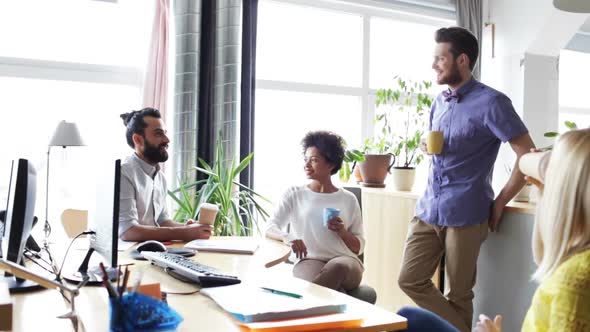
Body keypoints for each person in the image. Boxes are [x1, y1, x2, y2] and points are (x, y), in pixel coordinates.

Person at [397, 27, 536, 332]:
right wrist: (426, 146)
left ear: (461, 60)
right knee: (409, 278)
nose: (433, 64)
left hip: (467, 211)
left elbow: (527, 154)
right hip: (428, 207)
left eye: (439, 58)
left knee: (459, 294)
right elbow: (442, 146)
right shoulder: (440, 101)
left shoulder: (493, 103)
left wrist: (501, 200)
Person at [398, 129, 590, 332]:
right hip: (432, 210)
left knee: (427, 311)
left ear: (568, 197)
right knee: (410, 314)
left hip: (465, 214)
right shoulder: (575, 272)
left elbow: (524, 154)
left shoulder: (575, 282)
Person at [265, 131, 365, 291]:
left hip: (346, 261)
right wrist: (288, 238)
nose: (306, 165)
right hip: (308, 260)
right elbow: (269, 228)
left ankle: (299, 306)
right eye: (306, 160)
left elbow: (359, 247)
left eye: (314, 160)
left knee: (336, 268)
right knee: (329, 289)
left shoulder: (348, 199)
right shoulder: (294, 194)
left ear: (331, 164)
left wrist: (343, 232)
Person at [118, 107, 213, 242]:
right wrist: (184, 233)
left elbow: (162, 221)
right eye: (158, 134)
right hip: (126, 257)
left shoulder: (160, 178)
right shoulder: (123, 173)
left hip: (150, 252)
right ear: (138, 140)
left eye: (165, 133)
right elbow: (129, 231)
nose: (167, 140)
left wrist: (190, 228)